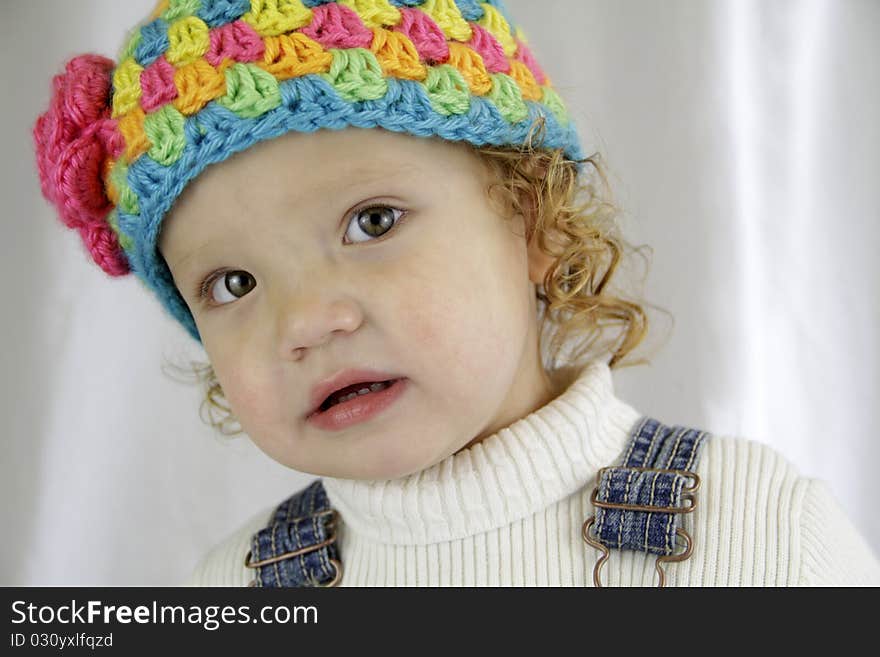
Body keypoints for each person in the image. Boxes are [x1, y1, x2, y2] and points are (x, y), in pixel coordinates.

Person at [33, 0, 880, 587]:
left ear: (531, 220)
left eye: (371, 221)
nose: (306, 320)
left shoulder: (759, 533)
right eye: (234, 282)